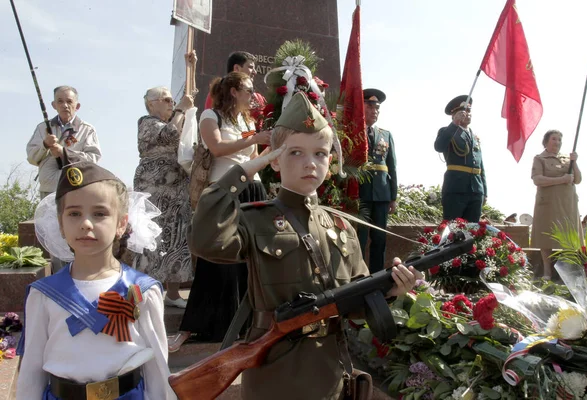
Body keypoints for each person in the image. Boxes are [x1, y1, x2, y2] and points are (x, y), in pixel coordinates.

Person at [188, 92, 421, 400]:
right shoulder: (255, 219)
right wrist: (244, 171)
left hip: (329, 371)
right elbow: (205, 242)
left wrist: (391, 289)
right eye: (295, 152)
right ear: (275, 160)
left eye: (320, 154)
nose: (310, 163)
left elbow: (357, 304)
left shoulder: (341, 227)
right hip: (274, 372)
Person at [16, 153, 174, 399]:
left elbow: (157, 370)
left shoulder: (142, 290)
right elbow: (32, 370)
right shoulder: (43, 294)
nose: (86, 224)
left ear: (121, 224)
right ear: (60, 223)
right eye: (74, 214)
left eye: (99, 214)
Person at [168, 71, 271, 352]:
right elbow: (217, 147)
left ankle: (243, 324)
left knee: (246, 259)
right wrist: (255, 139)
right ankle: (196, 326)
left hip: (251, 190)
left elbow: (252, 160)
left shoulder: (247, 121)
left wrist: (274, 150)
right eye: (249, 90)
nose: (253, 95)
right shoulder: (210, 116)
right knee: (216, 257)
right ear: (234, 91)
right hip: (224, 191)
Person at [133, 79, 195, 308]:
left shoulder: (175, 119)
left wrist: (192, 66)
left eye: (172, 99)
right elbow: (168, 135)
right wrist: (180, 109)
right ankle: (146, 293)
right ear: (151, 104)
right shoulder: (147, 122)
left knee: (176, 237)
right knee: (152, 239)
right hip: (154, 189)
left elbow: (191, 98)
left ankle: (173, 294)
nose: (172, 103)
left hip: (177, 186)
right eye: (167, 99)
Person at [26, 86, 102, 200]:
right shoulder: (42, 128)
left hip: (75, 189)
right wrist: (45, 145)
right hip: (48, 190)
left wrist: (64, 153)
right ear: (54, 105)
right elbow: (31, 157)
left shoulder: (87, 130)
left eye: (69, 101)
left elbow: (92, 160)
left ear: (77, 106)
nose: (65, 105)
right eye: (60, 101)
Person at [531, 130, 582, 279]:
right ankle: (547, 272)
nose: (557, 142)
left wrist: (575, 162)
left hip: (567, 204)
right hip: (547, 203)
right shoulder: (540, 158)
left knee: (567, 236)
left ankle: (567, 274)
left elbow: (577, 179)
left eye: (560, 139)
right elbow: (537, 179)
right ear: (546, 141)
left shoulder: (567, 159)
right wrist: (561, 180)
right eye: (554, 139)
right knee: (546, 237)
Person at [358, 88, 398, 273]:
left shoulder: (386, 134)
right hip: (361, 193)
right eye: (370, 106)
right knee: (359, 238)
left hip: (382, 194)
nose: (375, 110)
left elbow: (392, 166)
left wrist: (393, 196)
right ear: (361, 106)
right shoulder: (354, 130)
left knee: (380, 239)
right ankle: (356, 278)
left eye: (377, 108)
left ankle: (376, 277)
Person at [434, 95, 487, 222]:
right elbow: (439, 146)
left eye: (469, 111)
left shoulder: (474, 137)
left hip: (476, 190)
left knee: (472, 230)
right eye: (463, 111)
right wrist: (454, 124)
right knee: (453, 230)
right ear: (453, 115)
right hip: (456, 188)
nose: (467, 114)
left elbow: (480, 165)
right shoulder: (447, 131)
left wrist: (484, 190)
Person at [204, 51, 267, 131]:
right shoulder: (217, 96)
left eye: (251, 91)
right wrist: (254, 138)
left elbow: (244, 135)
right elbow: (216, 139)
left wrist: (257, 136)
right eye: (250, 67)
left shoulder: (258, 98)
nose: (255, 72)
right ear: (237, 68)